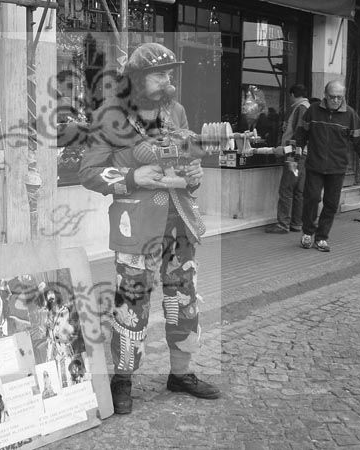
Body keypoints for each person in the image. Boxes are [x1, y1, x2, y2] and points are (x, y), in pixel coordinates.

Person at [79, 42, 220, 415]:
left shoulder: (176, 111)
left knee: (183, 299)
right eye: (160, 73)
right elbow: (88, 173)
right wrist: (131, 175)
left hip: (179, 224)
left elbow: (184, 160)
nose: (168, 79)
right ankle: (122, 379)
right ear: (138, 78)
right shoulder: (110, 116)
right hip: (137, 226)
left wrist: (193, 174)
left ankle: (180, 373)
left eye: (170, 72)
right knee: (132, 305)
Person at [295, 80, 360, 252]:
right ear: (325, 95)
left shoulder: (350, 115)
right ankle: (308, 232)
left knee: (331, 203)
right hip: (315, 165)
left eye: (340, 97)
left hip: (337, 167)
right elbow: (300, 135)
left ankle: (322, 237)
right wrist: (293, 157)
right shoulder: (313, 111)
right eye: (332, 97)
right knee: (312, 198)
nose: (336, 101)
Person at [265, 84, 310, 234]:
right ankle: (297, 223)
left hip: (294, 156)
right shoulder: (308, 107)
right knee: (298, 191)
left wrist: (285, 150)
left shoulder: (300, 109)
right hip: (302, 154)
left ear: (292, 94)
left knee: (286, 189)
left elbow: (298, 136)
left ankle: (283, 224)